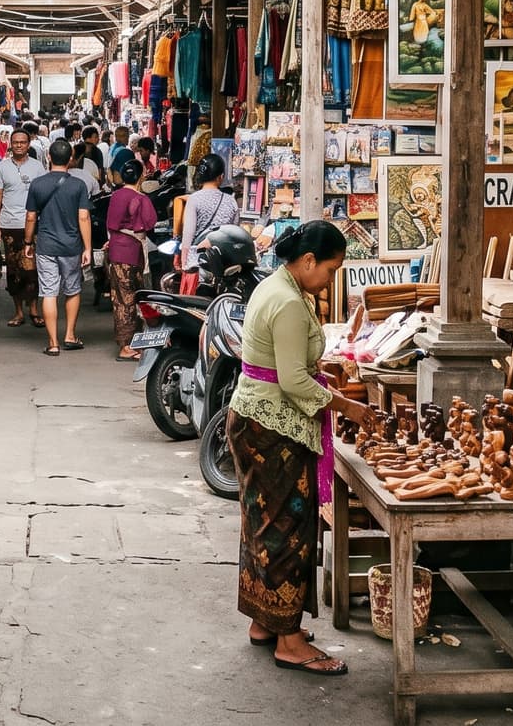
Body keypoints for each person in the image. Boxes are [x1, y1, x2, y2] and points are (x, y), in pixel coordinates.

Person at [228, 221, 373, 676]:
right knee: (286, 529)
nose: (331, 278)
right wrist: (347, 406)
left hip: (254, 417)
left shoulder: (275, 286)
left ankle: (265, 621)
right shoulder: (288, 301)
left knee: (261, 524)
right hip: (273, 428)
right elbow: (292, 381)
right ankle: (288, 641)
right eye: (330, 269)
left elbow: (286, 364)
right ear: (308, 261)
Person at [25, 139, 94, 356]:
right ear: (71, 159)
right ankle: (70, 335)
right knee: (72, 290)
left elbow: (30, 217)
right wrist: (88, 248)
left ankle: (53, 343)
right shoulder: (78, 185)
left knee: (48, 292)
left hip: (46, 246)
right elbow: (84, 217)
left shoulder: (37, 184)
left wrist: (28, 242)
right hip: (71, 246)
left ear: (48, 157)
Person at [105, 162, 159, 360]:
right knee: (129, 299)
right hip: (130, 251)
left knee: (119, 298)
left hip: (115, 249)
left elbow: (112, 223)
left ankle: (127, 342)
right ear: (140, 176)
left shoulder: (116, 195)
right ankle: (127, 346)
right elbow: (149, 222)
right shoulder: (139, 198)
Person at [0, 137, 44, 327]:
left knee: (32, 270)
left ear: (28, 144)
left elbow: (42, 197)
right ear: (11, 144)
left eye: (23, 142)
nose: (19, 145)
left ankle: (34, 309)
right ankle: (18, 311)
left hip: (32, 225)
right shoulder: (2, 167)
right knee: (13, 270)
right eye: (16, 142)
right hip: (9, 225)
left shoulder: (38, 167)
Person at [179, 154, 240, 293]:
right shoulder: (231, 201)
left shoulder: (194, 199)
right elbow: (235, 233)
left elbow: (188, 234)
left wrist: (184, 262)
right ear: (221, 176)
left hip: (199, 264)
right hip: (223, 265)